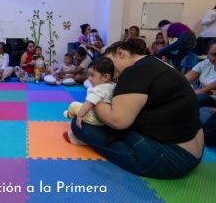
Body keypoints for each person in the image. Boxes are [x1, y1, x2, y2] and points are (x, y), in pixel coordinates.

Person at [69, 38, 203, 179]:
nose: (107, 70)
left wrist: (94, 93)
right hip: (195, 152)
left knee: (80, 125)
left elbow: (118, 121)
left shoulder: (133, 71)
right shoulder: (157, 63)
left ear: (121, 54)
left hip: (171, 159)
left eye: (108, 64)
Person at [63, 57, 116, 144]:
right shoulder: (113, 85)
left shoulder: (99, 89)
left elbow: (90, 103)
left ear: (106, 77)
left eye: (92, 75)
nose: (89, 78)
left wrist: (80, 116)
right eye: (89, 75)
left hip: (93, 118)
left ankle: (70, 114)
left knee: (73, 105)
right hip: (104, 121)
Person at [185, 39, 216, 107]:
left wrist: (203, 90)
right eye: (214, 54)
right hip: (207, 97)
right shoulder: (205, 64)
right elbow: (185, 79)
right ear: (208, 53)